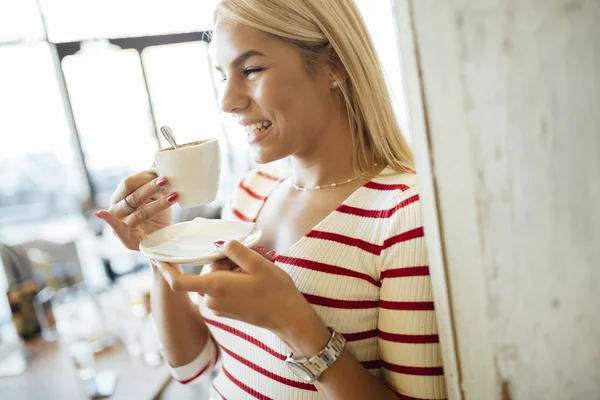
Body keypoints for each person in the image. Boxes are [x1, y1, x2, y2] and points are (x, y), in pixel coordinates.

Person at [95, 1, 448, 399]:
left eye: (251, 70)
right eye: (222, 75)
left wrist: (294, 322)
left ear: (334, 65)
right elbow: (193, 363)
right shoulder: (251, 191)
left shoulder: (405, 214)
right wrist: (160, 244)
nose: (227, 101)